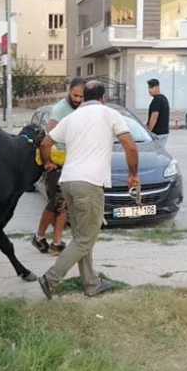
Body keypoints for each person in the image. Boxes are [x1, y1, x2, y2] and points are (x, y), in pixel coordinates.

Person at [37, 80, 139, 299]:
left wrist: (47, 163)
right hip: (89, 183)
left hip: (68, 182)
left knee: (82, 236)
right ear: (103, 98)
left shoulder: (71, 118)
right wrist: (133, 175)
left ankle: (91, 283)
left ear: (83, 97)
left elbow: (45, 143)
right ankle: (51, 278)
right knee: (85, 239)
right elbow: (130, 145)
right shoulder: (109, 114)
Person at [31, 77, 85, 256]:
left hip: (70, 162)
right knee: (56, 204)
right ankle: (39, 237)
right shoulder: (61, 109)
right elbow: (48, 138)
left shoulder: (80, 108)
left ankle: (56, 242)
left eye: (81, 96)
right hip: (57, 163)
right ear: (69, 90)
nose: (77, 99)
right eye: (75, 95)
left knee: (63, 205)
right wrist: (48, 162)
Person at [146, 79, 170, 148]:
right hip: (164, 132)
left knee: (156, 154)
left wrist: (149, 131)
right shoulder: (163, 98)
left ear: (157, 88)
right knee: (160, 152)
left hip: (157, 133)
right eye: (149, 88)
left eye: (151, 88)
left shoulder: (157, 100)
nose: (149, 90)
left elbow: (154, 117)